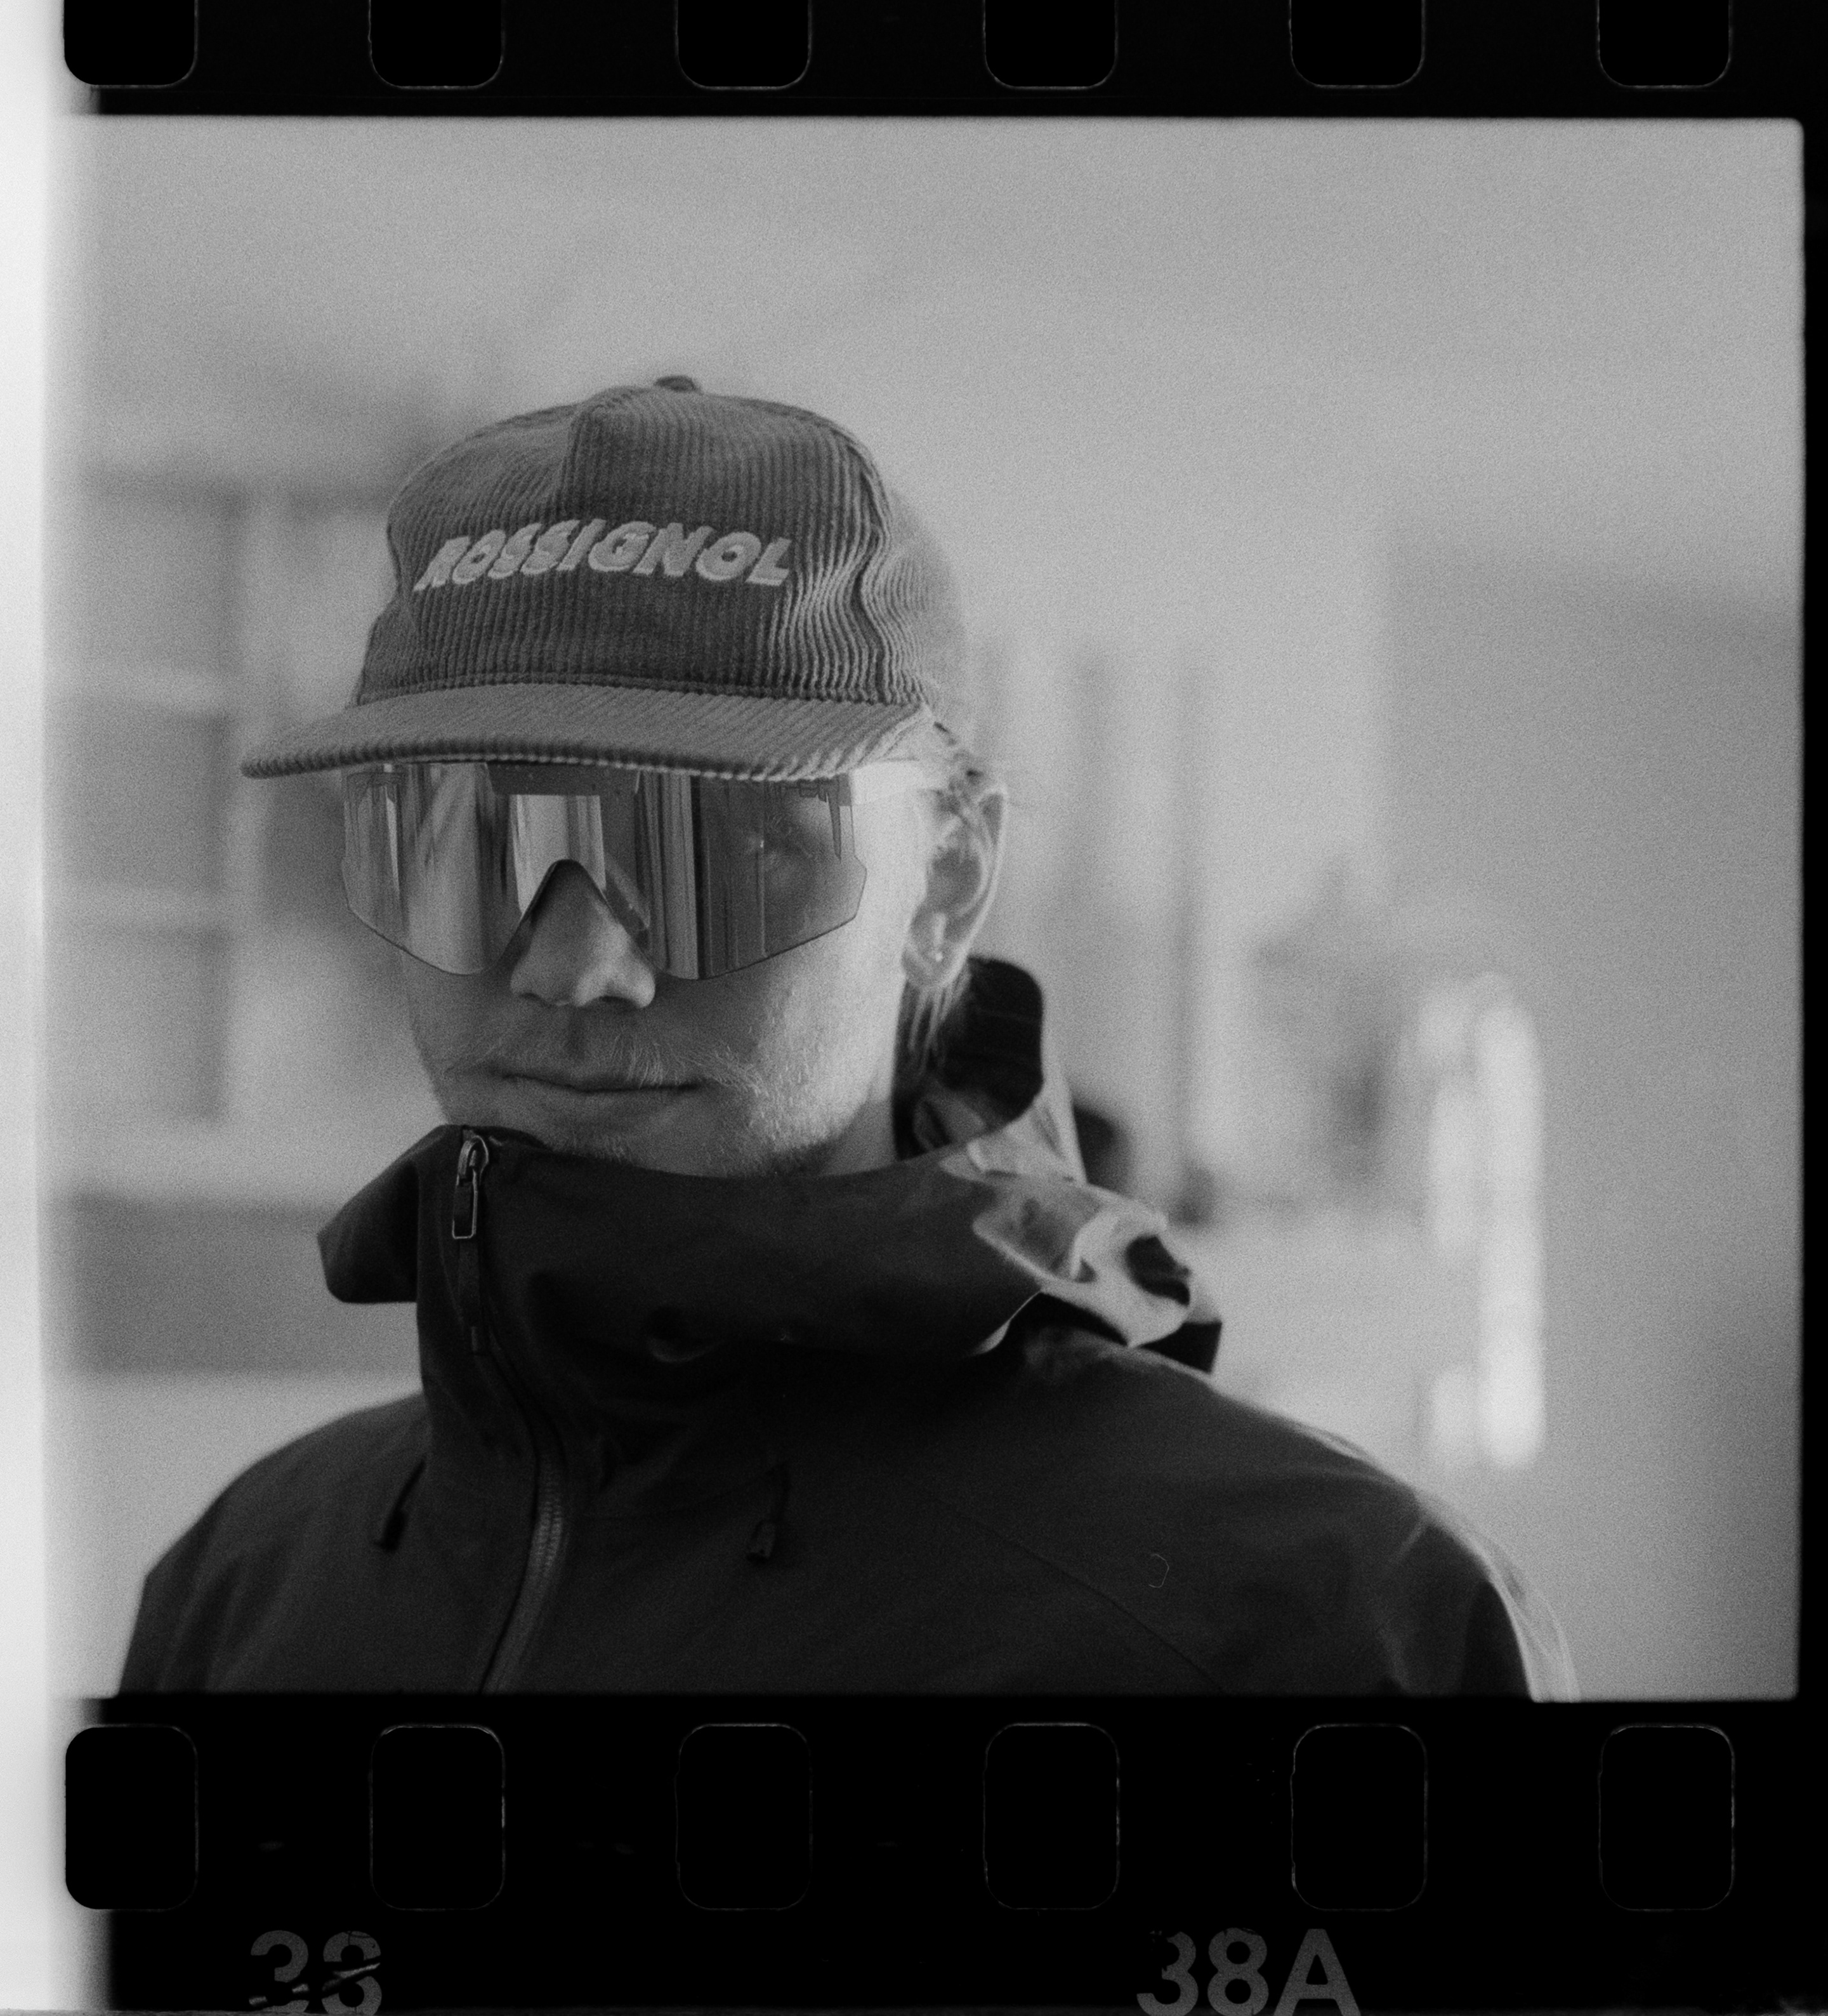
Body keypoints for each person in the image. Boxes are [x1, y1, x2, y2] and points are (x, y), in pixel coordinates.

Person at [118, 377, 1575, 1696]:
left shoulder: (1326, 1623)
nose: (571, 963)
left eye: (710, 852)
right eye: (461, 846)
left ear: (945, 881)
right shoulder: (243, 1582)